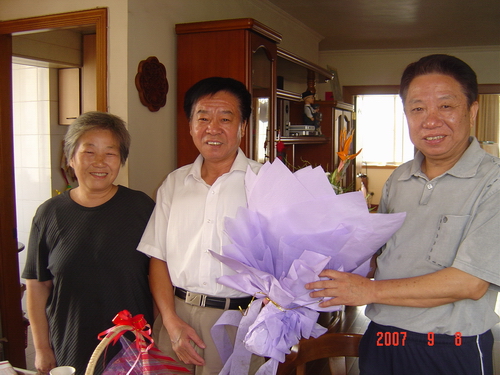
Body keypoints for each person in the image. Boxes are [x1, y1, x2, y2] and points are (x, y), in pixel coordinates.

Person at [306, 54, 500, 375]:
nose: (430, 120)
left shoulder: (493, 181)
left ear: (473, 110)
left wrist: (366, 291)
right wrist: (314, 269)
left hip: (447, 344)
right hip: (382, 334)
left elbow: (470, 282)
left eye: (446, 106)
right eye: (417, 108)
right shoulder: (400, 178)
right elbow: (380, 255)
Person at [137, 77, 263, 375]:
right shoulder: (174, 183)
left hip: (238, 320)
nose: (212, 128)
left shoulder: (265, 182)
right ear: (191, 125)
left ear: (242, 127)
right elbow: (159, 258)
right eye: (203, 118)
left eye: (225, 118)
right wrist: (169, 320)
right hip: (176, 317)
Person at [22, 112, 155, 375]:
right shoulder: (49, 214)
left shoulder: (142, 208)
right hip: (69, 342)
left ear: (121, 161)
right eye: (89, 152)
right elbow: (37, 286)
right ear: (71, 158)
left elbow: (160, 275)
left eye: (110, 153)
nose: (99, 162)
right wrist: (41, 348)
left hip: (131, 345)